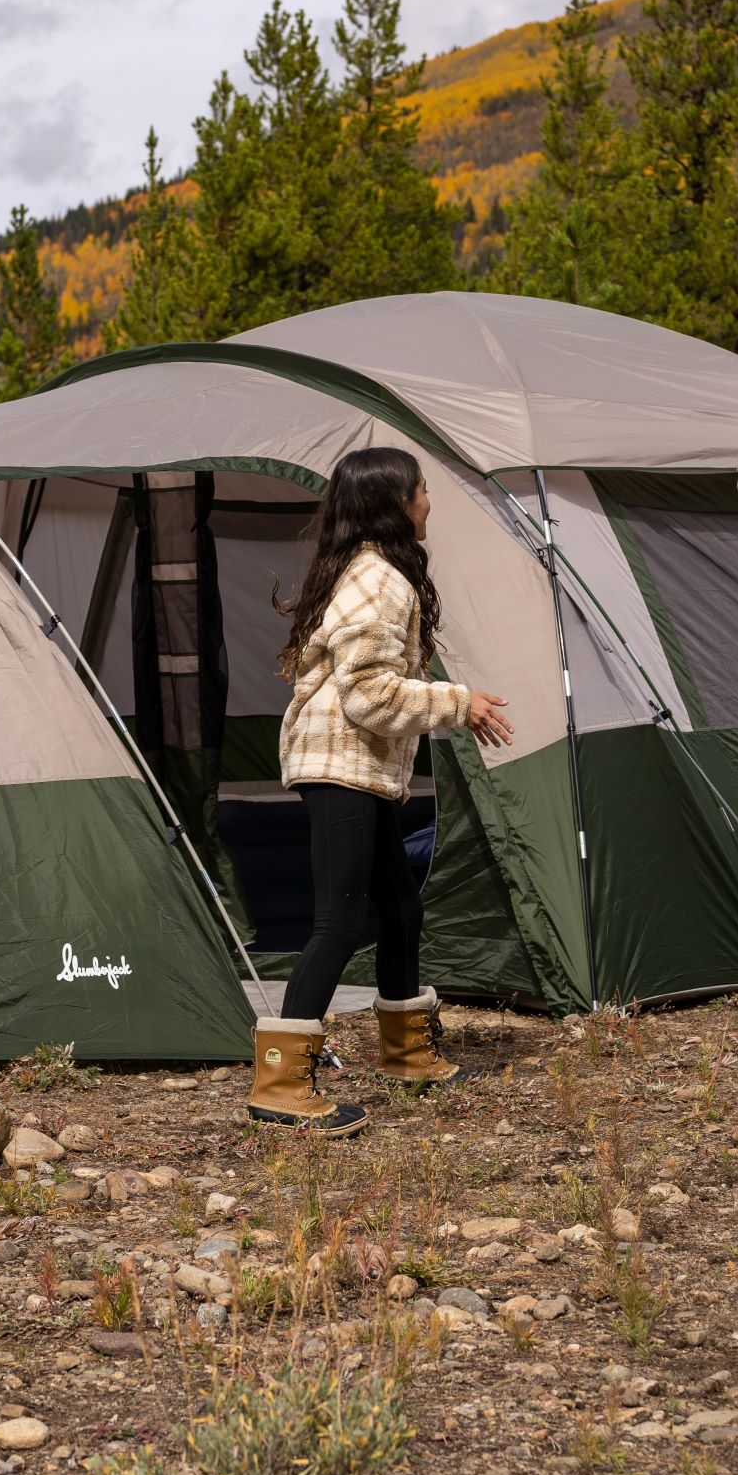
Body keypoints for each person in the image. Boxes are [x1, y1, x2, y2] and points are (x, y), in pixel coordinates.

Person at [251, 446, 515, 1135]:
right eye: (423, 491)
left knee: (401, 908)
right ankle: (280, 1083)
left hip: (356, 767)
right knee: (338, 924)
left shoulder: (371, 572)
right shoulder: (379, 581)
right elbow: (367, 695)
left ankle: (405, 1054)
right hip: (339, 764)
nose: (429, 502)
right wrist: (460, 704)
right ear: (396, 504)